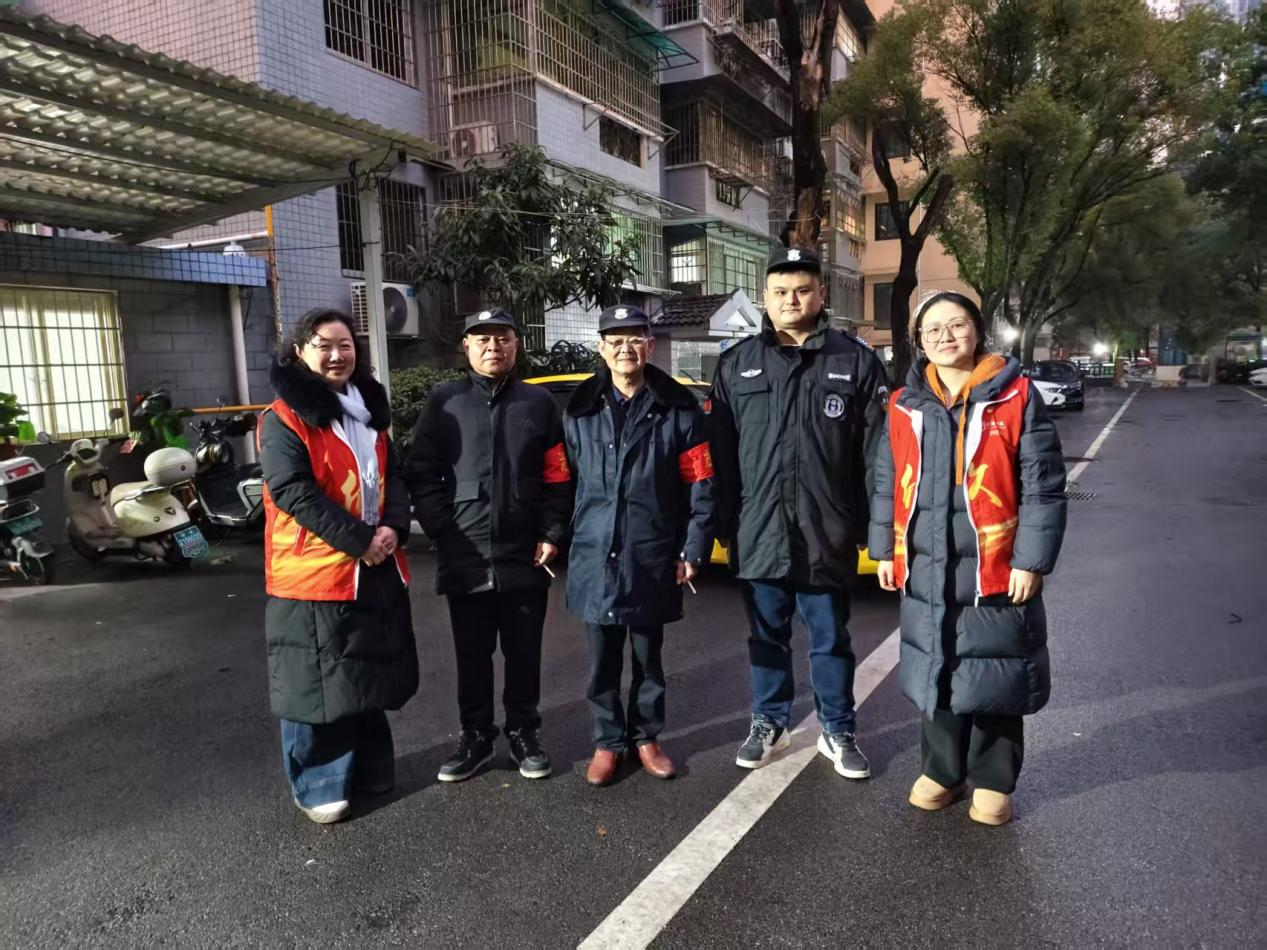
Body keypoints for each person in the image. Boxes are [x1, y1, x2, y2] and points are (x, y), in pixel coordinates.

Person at [869, 291, 1066, 826]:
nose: (945, 337)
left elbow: (1043, 487)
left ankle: (994, 780)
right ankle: (943, 771)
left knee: (996, 668)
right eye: (932, 330)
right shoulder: (903, 405)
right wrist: (884, 549)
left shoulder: (1016, 396)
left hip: (993, 561)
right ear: (919, 341)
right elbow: (886, 480)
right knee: (937, 665)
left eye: (956, 326)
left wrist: (1032, 561)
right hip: (927, 559)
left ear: (978, 331)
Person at [708, 246, 889, 778]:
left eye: (803, 290)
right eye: (781, 292)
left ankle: (838, 727)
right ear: (765, 299)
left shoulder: (854, 361)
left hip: (825, 530)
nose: (792, 299)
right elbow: (720, 455)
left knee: (830, 638)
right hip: (759, 528)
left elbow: (877, 454)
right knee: (766, 636)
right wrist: (725, 528)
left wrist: (870, 530)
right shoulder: (737, 363)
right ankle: (770, 722)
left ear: (821, 294)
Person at [259, 307, 417, 825]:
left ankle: (370, 769)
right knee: (317, 682)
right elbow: (292, 493)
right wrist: (361, 540)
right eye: (323, 344)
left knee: (363, 674)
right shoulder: (283, 418)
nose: (335, 354)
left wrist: (392, 525)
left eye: (345, 344)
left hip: (371, 563)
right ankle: (320, 783)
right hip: (315, 572)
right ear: (299, 351)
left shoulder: (366, 411)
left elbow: (392, 475)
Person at [407, 308, 571, 783]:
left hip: (525, 554)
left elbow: (558, 476)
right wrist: (442, 528)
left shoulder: (538, 404)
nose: (492, 347)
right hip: (467, 552)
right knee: (472, 655)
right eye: (482, 340)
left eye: (502, 338)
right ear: (466, 346)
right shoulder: (444, 401)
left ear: (516, 344)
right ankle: (475, 736)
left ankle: (523, 732)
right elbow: (421, 472)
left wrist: (552, 533)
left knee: (524, 653)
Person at [563, 305, 714, 786]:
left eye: (635, 339)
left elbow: (701, 484)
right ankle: (608, 742)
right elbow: (560, 483)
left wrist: (692, 549)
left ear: (650, 346)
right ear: (601, 348)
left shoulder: (679, 409)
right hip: (593, 551)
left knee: (649, 657)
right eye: (615, 339)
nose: (625, 348)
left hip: (651, 551)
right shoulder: (578, 409)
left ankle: (646, 737)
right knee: (602, 659)